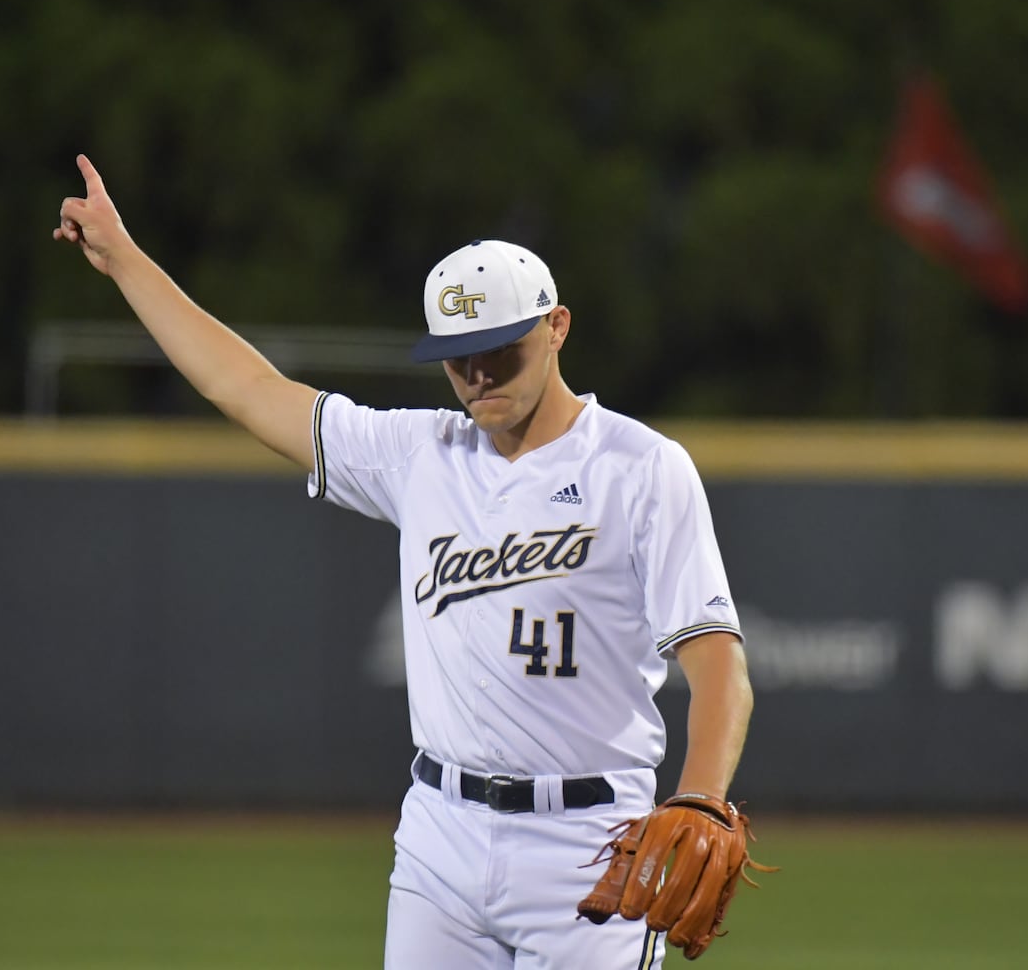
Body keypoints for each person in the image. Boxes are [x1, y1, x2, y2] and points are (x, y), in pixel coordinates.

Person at [54, 154, 754, 968]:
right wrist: (126, 260)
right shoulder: (419, 454)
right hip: (440, 837)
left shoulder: (640, 467)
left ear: (557, 327)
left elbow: (717, 665)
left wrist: (700, 797)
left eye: (501, 348)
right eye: (459, 355)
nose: (478, 373)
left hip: (589, 841)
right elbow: (245, 386)